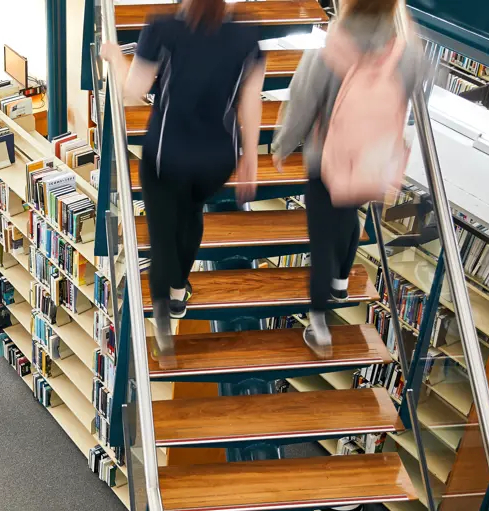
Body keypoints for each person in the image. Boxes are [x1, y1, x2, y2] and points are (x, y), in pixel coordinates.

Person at [101, 0, 266, 360]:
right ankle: (178, 293)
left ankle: (163, 317)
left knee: (162, 231)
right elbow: (251, 101)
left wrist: (115, 56)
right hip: (218, 159)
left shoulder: (162, 27)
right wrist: (251, 156)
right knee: (191, 214)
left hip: (167, 153)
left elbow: (132, 93)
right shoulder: (246, 34)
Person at [272, 0, 423, 357]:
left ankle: (319, 323)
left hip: (327, 160)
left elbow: (303, 101)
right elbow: (427, 82)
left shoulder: (332, 46)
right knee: (349, 215)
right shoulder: (404, 50)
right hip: (370, 162)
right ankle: (340, 281)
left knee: (322, 236)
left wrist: (282, 145)